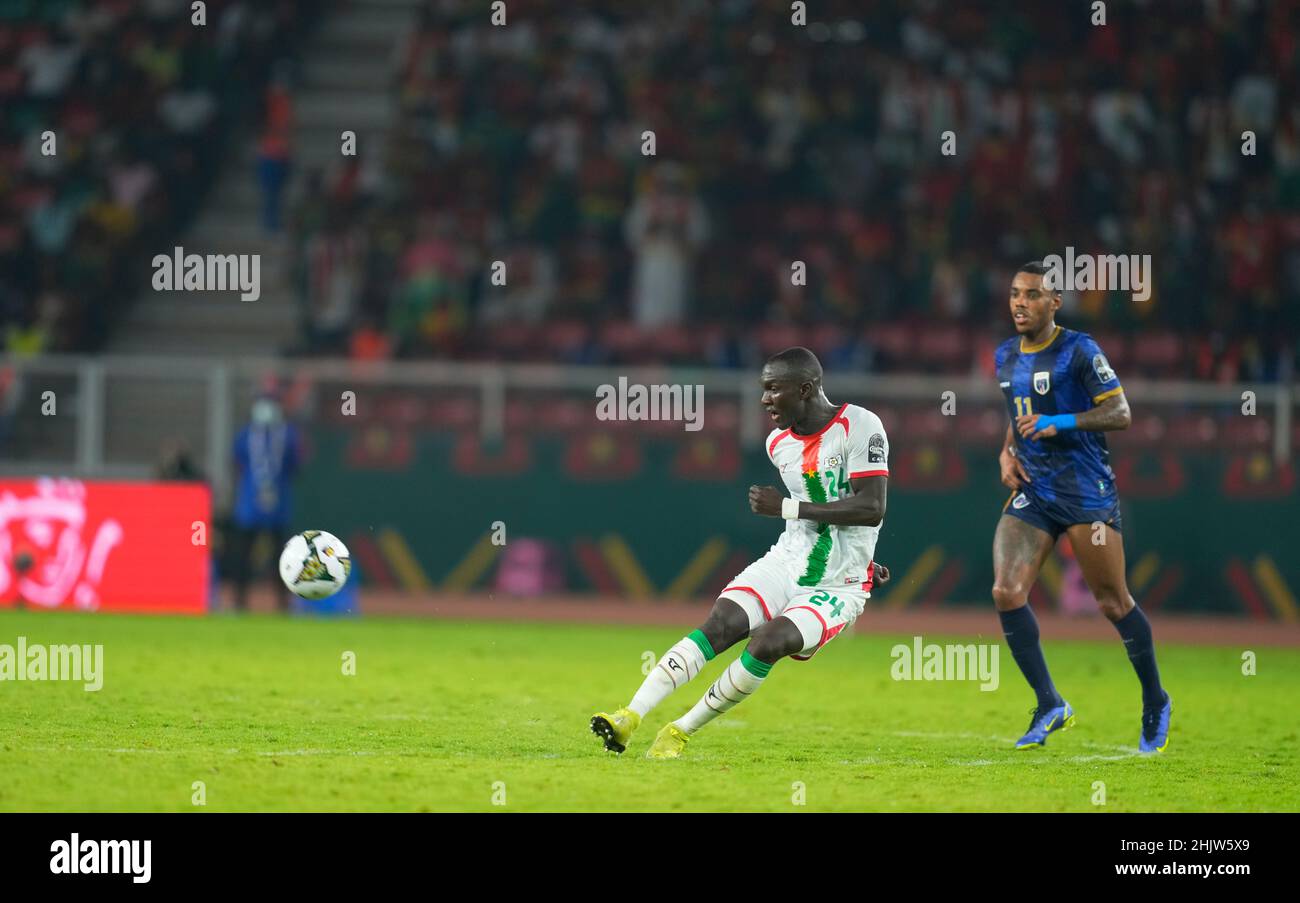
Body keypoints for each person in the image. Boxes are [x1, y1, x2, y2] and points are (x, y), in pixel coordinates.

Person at [590, 347, 892, 758]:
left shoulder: (861, 426)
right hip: (786, 561)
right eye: (763, 390)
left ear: (805, 388)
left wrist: (789, 510)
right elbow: (826, 512)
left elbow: (871, 507)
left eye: (773, 390)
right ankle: (629, 716)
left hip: (840, 585)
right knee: (720, 624)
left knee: (768, 642)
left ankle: (678, 732)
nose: (765, 400)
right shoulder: (778, 443)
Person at [993, 262, 1172, 752]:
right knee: (1007, 591)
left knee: (1113, 602)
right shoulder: (1005, 355)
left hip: (1085, 491)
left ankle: (1155, 698)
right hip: (1034, 490)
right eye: (1014, 294)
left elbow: (1120, 412)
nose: (1019, 303)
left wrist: (1061, 422)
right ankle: (1049, 703)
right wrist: (1007, 452)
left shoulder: (1080, 350)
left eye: (1032, 295)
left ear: (1055, 303)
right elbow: (1017, 416)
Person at [229, 395, 301, 612]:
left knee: (282, 557)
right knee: (244, 555)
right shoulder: (246, 436)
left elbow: (294, 464)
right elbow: (238, 460)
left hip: (277, 506)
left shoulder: (288, 436)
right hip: (250, 507)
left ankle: (283, 602)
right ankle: (239, 601)